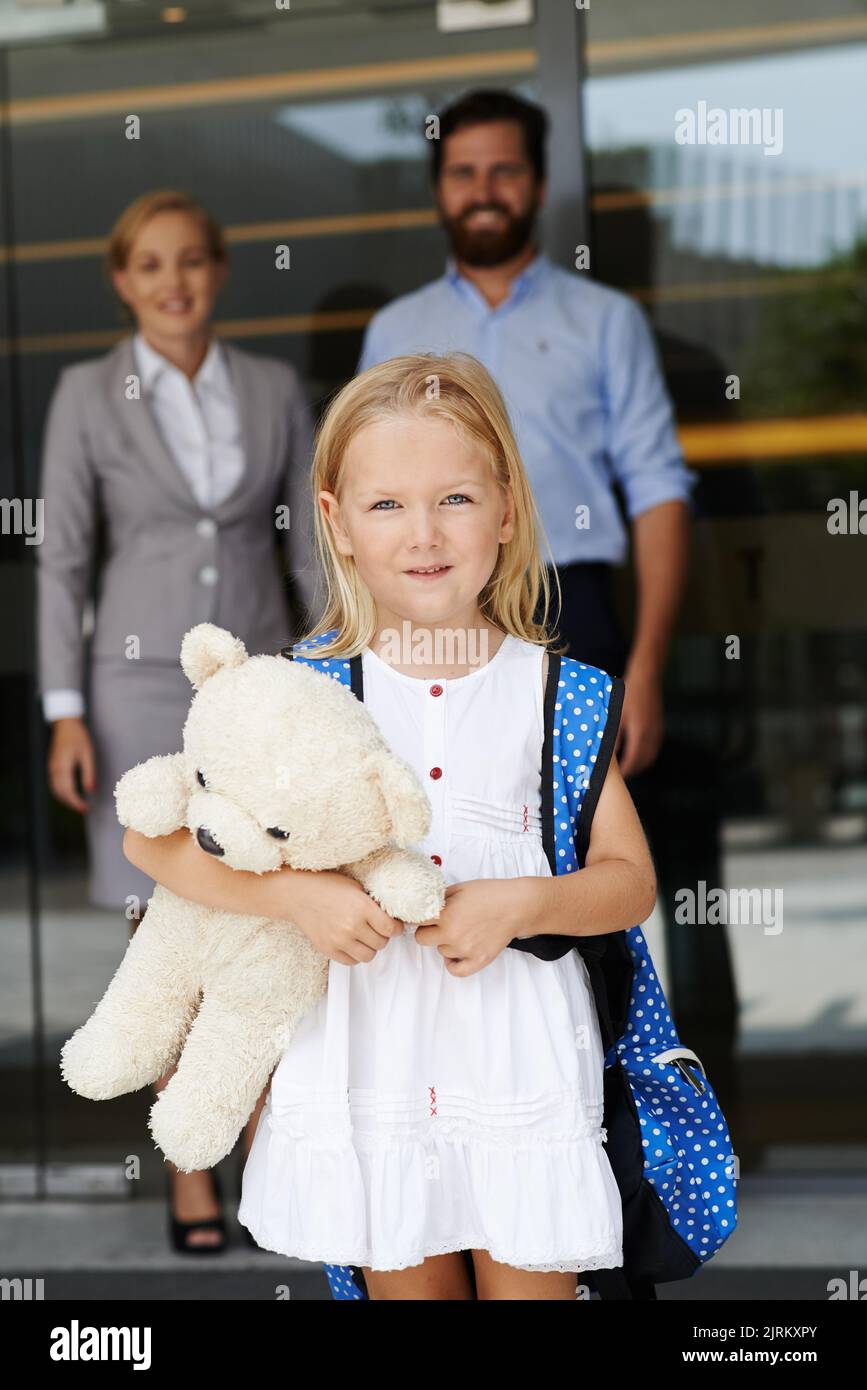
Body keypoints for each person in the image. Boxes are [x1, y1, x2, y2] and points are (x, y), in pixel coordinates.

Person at [123, 351, 657, 1299]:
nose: (423, 534)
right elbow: (155, 843)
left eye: (453, 498)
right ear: (335, 522)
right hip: (371, 1068)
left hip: (516, 1065)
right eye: (385, 506)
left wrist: (524, 902)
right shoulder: (296, 693)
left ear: (506, 505)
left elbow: (629, 881)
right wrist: (300, 896)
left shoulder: (555, 695)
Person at [356, 91, 738, 1105]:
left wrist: (643, 667)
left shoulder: (603, 320)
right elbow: (370, 508)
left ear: (537, 183)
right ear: (440, 187)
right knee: (436, 844)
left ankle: (619, 1116)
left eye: (504, 170)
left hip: (582, 610)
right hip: (428, 618)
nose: (483, 190)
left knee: (609, 870)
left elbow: (658, 488)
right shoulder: (397, 330)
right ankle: (445, 1101)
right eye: (463, 170)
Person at [37, 189, 319, 1252]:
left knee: (263, 916)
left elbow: (304, 548)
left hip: (250, 685)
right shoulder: (84, 392)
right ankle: (189, 1172)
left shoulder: (274, 387)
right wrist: (66, 710)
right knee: (164, 932)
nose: (173, 282)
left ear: (219, 270)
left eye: (191, 260)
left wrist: (326, 676)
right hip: (137, 687)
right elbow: (63, 558)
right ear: (122, 279)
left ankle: (262, 1151)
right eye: (150, 265)